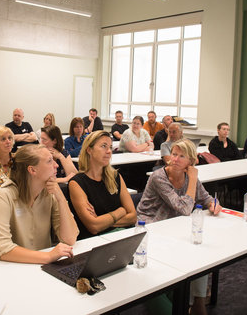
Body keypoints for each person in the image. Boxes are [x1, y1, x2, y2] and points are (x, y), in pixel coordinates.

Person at [136, 139, 221, 315]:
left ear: (191, 161)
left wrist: (214, 204)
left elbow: (206, 197)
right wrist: (194, 178)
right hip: (151, 227)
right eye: (174, 154)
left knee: (200, 250)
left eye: (182, 156)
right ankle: (185, 300)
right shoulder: (159, 176)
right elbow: (184, 208)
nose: (175, 159)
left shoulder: (190, 178)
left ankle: (198, 302)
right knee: (191, 248)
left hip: (174, 227)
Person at [0, 144, 78, 264]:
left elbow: (70, 238)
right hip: (4, 268)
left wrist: (61, 199)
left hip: (36, 264)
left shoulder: (50, 193)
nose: (56, 165)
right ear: (32, 170)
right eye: (49, 161)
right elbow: (2, 248)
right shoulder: (4, 196)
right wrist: (48, 256)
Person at [69, 131, 137, 240]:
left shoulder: (115, 176)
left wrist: (102, 221)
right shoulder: (77, 183)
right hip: (94, 242)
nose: (109, 151)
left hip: (121, 237)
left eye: (110, 147)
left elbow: (133, 217)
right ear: (89, 150)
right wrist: (121, 211)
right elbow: (94, 227)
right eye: (103, 146)